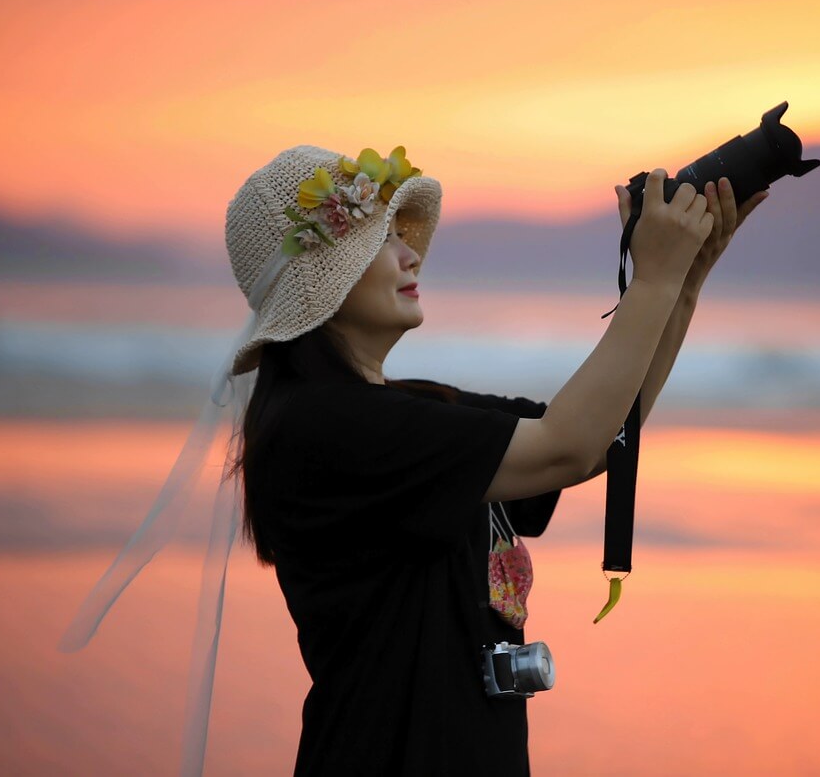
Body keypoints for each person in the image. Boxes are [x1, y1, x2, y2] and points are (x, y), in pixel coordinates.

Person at [60, 143, 767, 776]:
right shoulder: (326, 428)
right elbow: (569, 444)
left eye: (405, 236)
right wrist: (651, 283)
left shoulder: (406, 409)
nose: (411, 256)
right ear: (321, 281)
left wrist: (682, 283)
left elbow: (596, 437)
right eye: (381, 240)